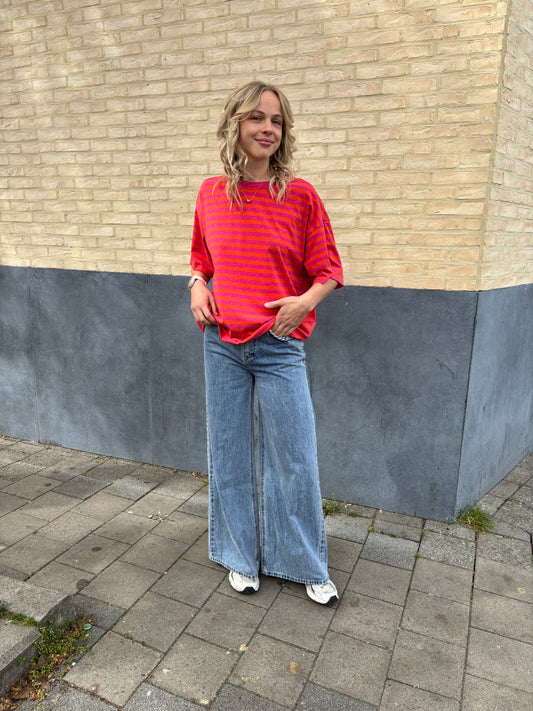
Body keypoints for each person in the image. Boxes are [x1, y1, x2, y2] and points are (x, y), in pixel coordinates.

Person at [189, 81, 343, 606]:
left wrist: (304, 303)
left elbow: (329, 270)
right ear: (235, 124)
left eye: (276, 121)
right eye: (256, 118)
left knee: (295, 458)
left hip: (279, 346)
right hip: (221, 343)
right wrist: (195, 286)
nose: (267, 129)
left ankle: (303, 563)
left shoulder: (299, 196)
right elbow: (201, 259)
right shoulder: (211, 193)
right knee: (228, 453)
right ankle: (239, 556)